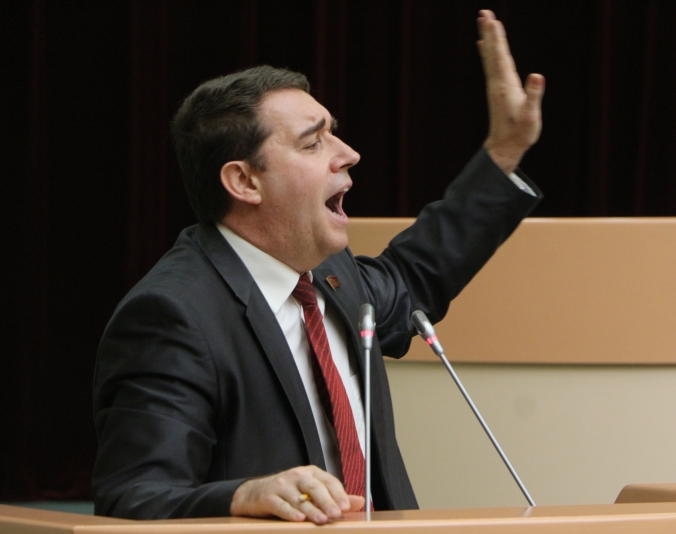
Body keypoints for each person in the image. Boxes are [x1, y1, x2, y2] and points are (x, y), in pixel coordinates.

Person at [92, 10, 545, 524]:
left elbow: (414, 275)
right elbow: (133, 498)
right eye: (313, 142)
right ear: (244, 182)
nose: (349, 154)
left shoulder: (331, 275)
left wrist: (504, 151)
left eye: (334, 134)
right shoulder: (174, 316)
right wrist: (244, 496)